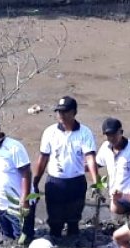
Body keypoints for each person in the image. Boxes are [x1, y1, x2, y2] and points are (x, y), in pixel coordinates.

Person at [32, 96, 99, 238]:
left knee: (74, 218)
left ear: (74, 112)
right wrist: (35, 183)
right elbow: (43, 159)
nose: (60, 115)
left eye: (64, 112)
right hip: (55, 182)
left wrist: (96, 183)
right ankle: (55, 241)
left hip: (76, 182)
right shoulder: (50, 132)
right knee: (55, 220)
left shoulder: (84, 133)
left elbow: (90, 158)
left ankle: (74, 242)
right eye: (58, 112)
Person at [96, 117, 130, 216]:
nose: (111, 138)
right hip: (116, 197)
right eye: (108, 135)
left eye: (114, 134)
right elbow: (96, 165)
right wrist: (97, 185)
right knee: (114, 209)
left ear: (121, 132)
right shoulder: (105, 147)